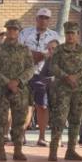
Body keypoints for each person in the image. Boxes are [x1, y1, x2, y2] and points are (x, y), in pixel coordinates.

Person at [0, 19, 35, 161]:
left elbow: (30, 68)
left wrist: (18, 81)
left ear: (19, 31)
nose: (12, 32)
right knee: (1, 120)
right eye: (9, 29)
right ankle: (0, 149)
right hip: (3, 90)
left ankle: (18, 150)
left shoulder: (24, 50)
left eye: (15, 29)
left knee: (19, 121)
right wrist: (7, 82)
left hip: (20, 90)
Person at [48, 21, 82, 162]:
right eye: (68, 33)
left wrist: (76, 76)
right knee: (59, 119)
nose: (70, 36)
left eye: (73, 33)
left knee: (76, 120)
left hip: (80, 89)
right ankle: (53, 150)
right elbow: (53, 66)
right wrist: (66, 76)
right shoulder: (58, 50)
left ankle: (71, 150)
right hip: (62, 90)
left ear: (77, 34)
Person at [20, 8, 60, 147]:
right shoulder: (25, 33)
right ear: (36, 18)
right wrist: (42, 54)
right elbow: (21, 51)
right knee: (25, 106)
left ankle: (42, 137)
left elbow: (56, 55)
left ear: (49, 20)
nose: (43, 20)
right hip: (25, 74)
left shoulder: (55, 35)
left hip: (43, 75)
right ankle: (21, 135)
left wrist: (38, 55)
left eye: (46, 18)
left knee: (42, 106)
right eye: (41, 17)